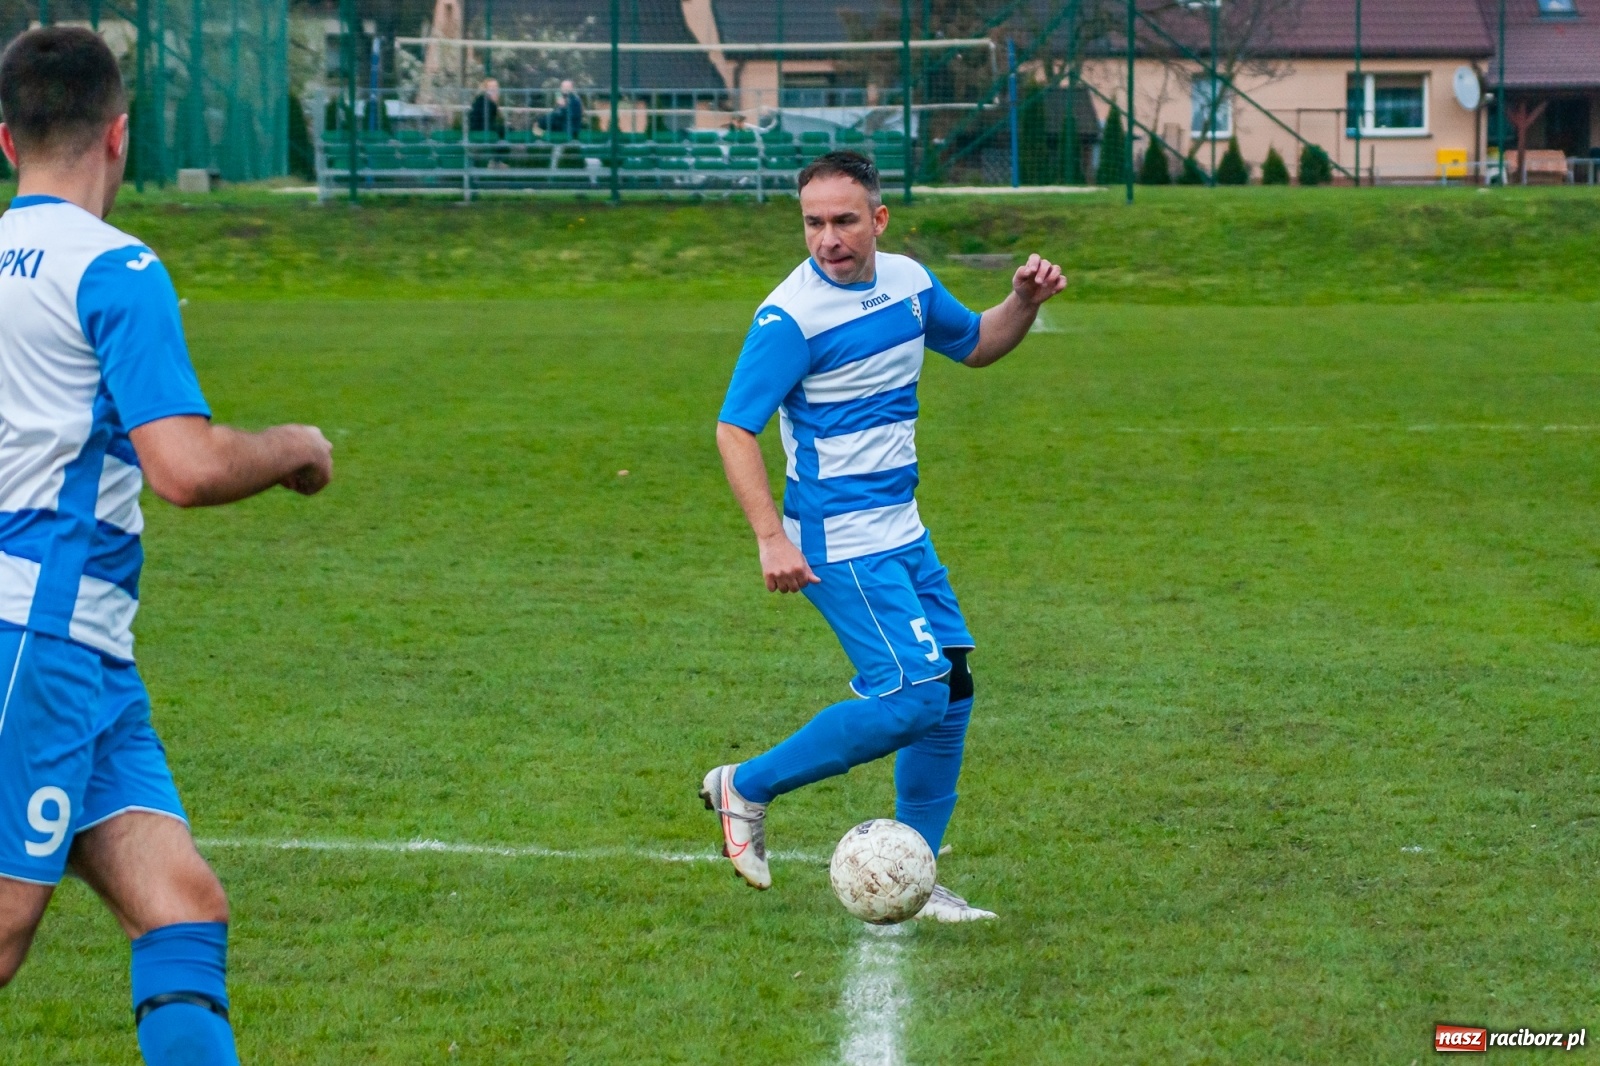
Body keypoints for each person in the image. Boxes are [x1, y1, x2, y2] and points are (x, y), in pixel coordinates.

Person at [0, 27, 333, 1063]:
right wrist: (295, 447)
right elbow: (182, 467)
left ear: (5, 141)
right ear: (120, 133)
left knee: (181, 906)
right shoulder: (117, 267)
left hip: (84, 647)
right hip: (38, 632)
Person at [702, 151, 1064, 922]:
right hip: (840, 538)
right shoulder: (789, 318)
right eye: (812, 222)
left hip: (902, 529)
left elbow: (976, 343)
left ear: (878, 219)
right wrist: (771, 537)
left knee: (950, 690)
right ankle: (748, 785)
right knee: (910, 698)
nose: (827, 238)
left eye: (843, 220)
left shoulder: (908, 282)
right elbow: (735, 429)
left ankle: (914, 873)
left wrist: (1022, 301)